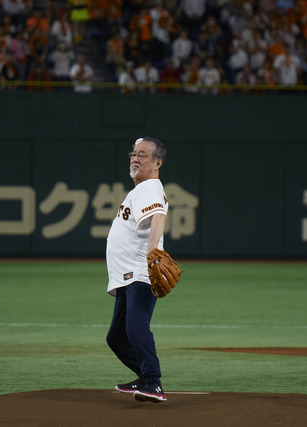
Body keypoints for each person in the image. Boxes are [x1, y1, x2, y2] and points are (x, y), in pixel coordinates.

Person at [106, 136, 170, 403]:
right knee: (117, 337)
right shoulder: (139, 190)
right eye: (133, 153)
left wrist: (153, 251)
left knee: (134, 328)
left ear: (157, 163)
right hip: (128, 276)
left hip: (140, 273)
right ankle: (146, 377)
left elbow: (159, 215)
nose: (135, 158)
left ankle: (152, 382)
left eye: (143, 154)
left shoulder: (150, 187)